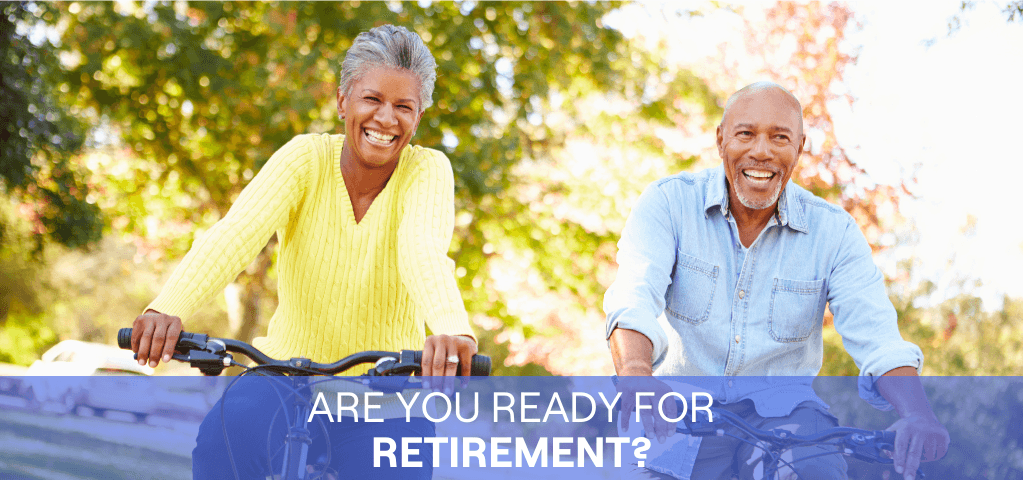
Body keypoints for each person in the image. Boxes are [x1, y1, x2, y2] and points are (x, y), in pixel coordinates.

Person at [129, 25, 476, 479]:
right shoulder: (304, 159)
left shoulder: (427, 170)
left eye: (403, 107)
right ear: (342, 101)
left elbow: (422, 251)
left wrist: (452, 329)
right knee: (222, 444)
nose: (386, 119)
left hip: (386, 398)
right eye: (372, 99)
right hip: (285, 379)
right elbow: (236, 234)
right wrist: (167, 308)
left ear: (418, 116)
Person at [604, 81, 949, 480]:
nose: (761, 151)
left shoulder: (833, 232)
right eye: (746, 134)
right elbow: (633, 296)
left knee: (817, 470)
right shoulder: (667, 203)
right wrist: (635, 373)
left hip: (787, 417)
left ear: (799, 148)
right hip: (677, 414)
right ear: (721, 141)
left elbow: (879, 338)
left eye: (779, 137)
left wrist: (919, 415)